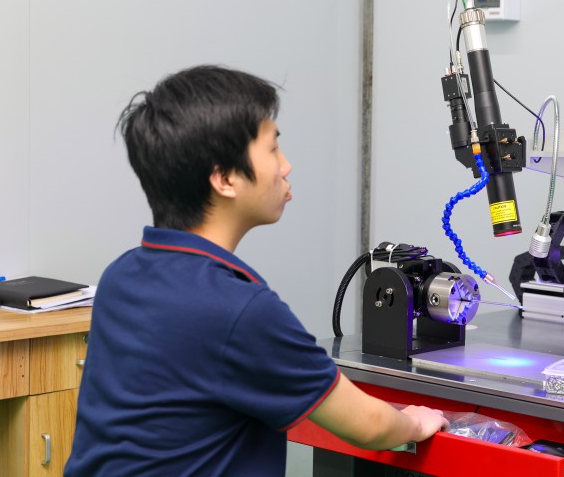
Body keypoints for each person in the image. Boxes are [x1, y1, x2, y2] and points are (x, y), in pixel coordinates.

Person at [66, 65, 448, 476]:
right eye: (272, 149)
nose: (286, 166)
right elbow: (369, 425)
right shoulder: (238, 310)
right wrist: (415, 420)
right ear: (225, 178)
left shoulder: (121, 276)